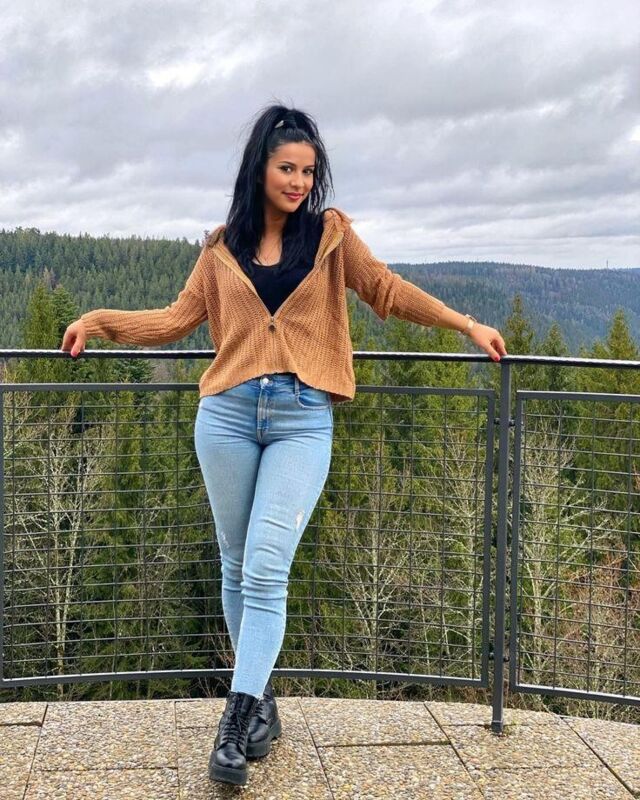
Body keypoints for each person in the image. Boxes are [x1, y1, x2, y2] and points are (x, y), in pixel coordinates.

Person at [60, 102, 508, 786]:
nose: (298, 182)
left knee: (267, 567)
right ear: (260, 170)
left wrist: (465, 324)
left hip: (302, 419)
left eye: (307, 171)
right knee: (236, 562)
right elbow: (176, 320)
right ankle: (260, 701)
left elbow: (386, 290)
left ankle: (233, 725)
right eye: (286, 169)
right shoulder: (220, 248)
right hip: (227, 417)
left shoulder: (330, 237)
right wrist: (99, 321)